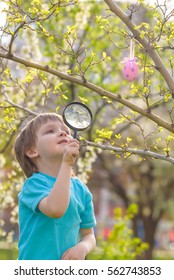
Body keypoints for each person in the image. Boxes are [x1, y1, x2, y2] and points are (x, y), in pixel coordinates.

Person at [14, 112, 96, 260]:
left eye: (66, 131)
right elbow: (55, 209)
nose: (62, 132)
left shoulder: (81, 190)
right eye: (50, 131)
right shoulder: (33, 185)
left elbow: (89, 235)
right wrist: (66, 164)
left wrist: (83, 247)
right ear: (32, 151)